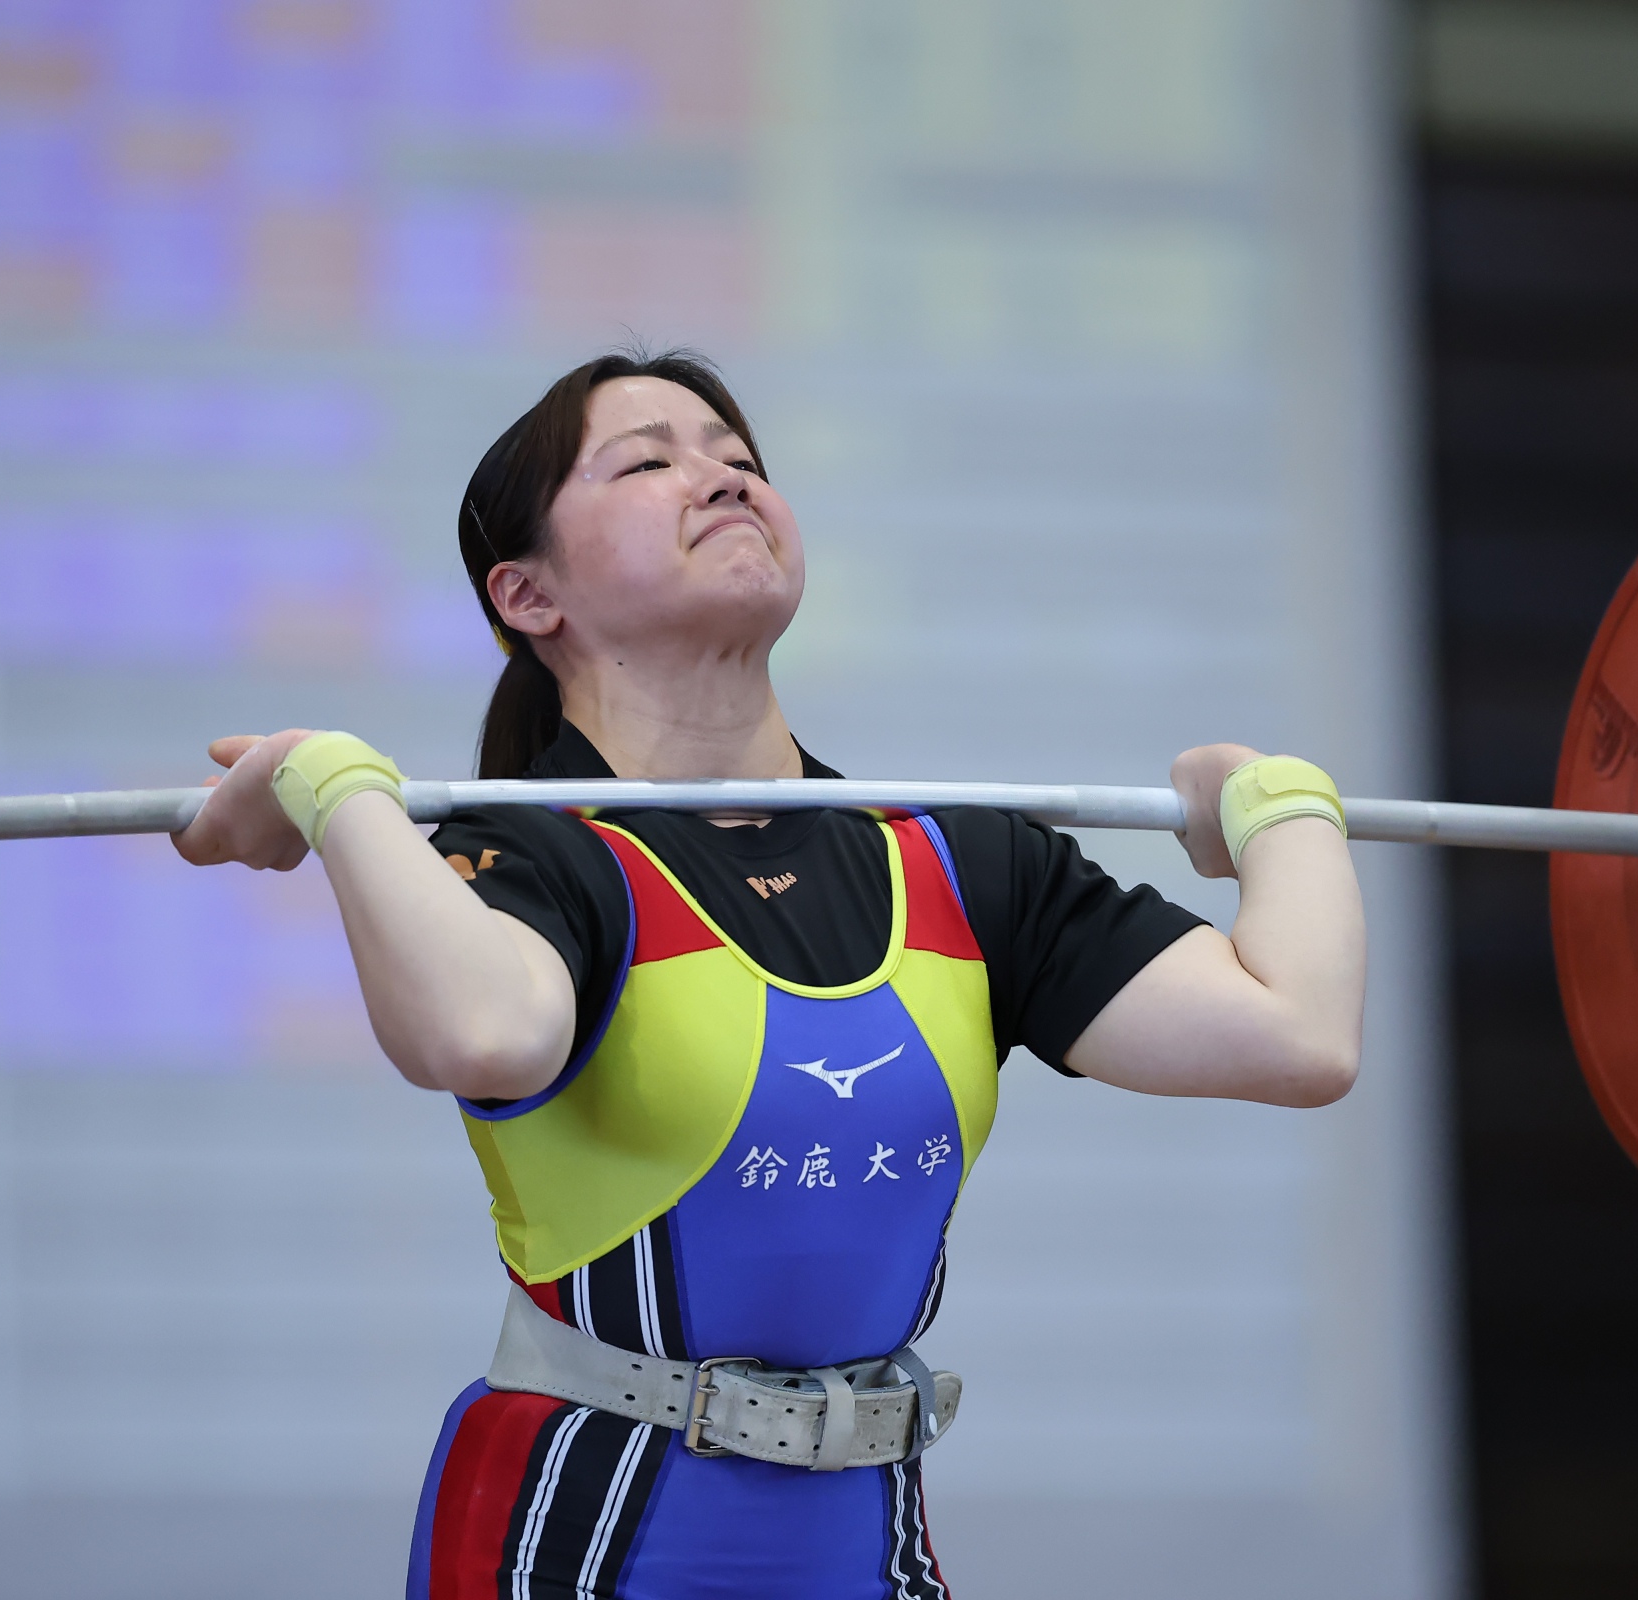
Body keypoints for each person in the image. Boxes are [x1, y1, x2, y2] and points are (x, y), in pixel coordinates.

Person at [173, 350, 1365, 1599]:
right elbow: (483, 1035)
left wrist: (1274, 800)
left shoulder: (960, 861)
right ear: (528, 595)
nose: (722, 479)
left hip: (863, 1543)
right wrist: (339, 788)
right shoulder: (538, 851)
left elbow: (1299, 1036)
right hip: (578, 1541)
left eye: (740, 459)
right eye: (647, 462)